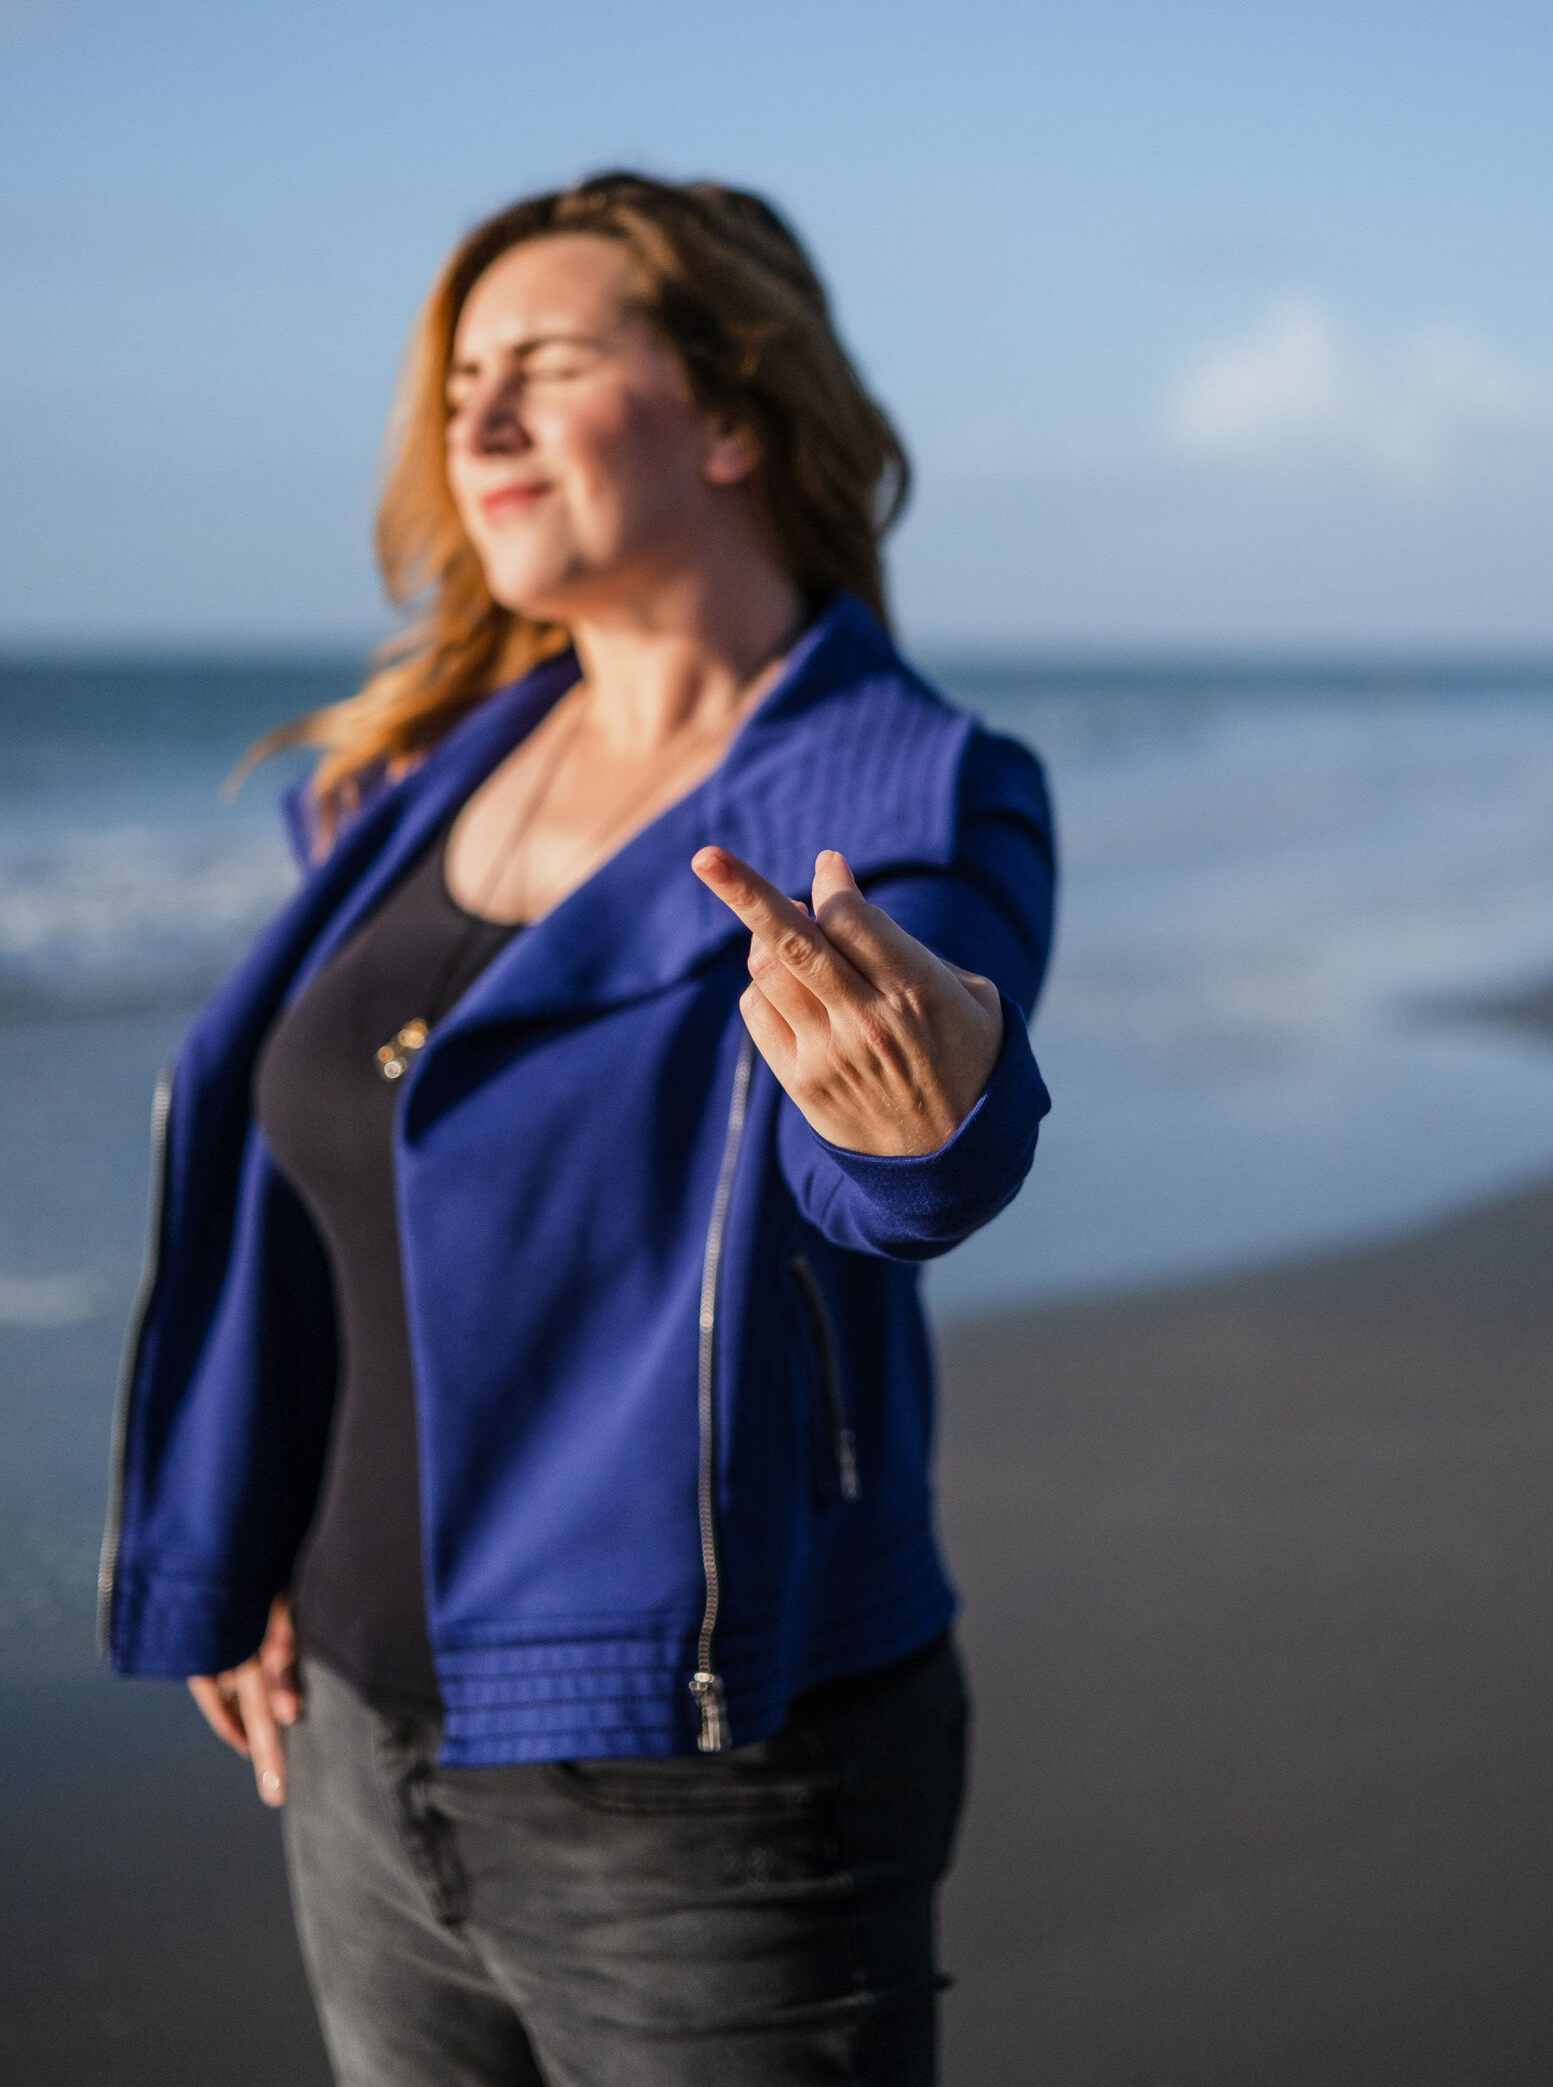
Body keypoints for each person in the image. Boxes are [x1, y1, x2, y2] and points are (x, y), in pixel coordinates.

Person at [102, 170, 1054, 2086]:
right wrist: (235, 1541)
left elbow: (907, 1132)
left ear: (730, 416)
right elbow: (336, 1193)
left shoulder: (915, 792)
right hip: (354, 1756)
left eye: (543, 363)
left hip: (710, 1789)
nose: (477, 421)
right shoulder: (396, 785)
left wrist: (915, 1105)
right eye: (461, 379)